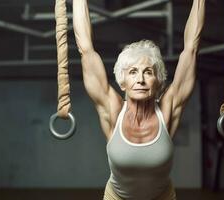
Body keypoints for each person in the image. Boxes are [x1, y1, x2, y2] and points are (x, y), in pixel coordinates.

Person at [73, 0, 205, 199]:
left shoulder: (168, 109)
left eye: (148, 72)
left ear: (158, 81)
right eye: (133, 72)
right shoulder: (113, 109)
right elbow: (85, 48)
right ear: (122, 81)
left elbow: (191, 49)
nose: (141, 79)